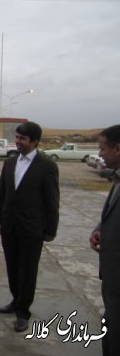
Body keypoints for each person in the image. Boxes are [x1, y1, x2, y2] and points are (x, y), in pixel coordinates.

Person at [0, 121, 60, 332]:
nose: (17, 142)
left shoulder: (47, 166)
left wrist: (50, 230)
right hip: (9, 227)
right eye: (17, 137)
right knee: (12, 267)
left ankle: (23, 312)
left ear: (35, 142)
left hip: (32, 230)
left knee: (27, 271)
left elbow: (52, 201)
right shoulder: (10, 162)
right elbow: (2, 194)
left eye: (22, 139)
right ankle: (15, 300)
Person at [89, 124, 120, 356]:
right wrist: (102, 230)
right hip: (111, 276)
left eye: (102, 148)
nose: (99, 154)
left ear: (117, 148)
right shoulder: (117, 178)